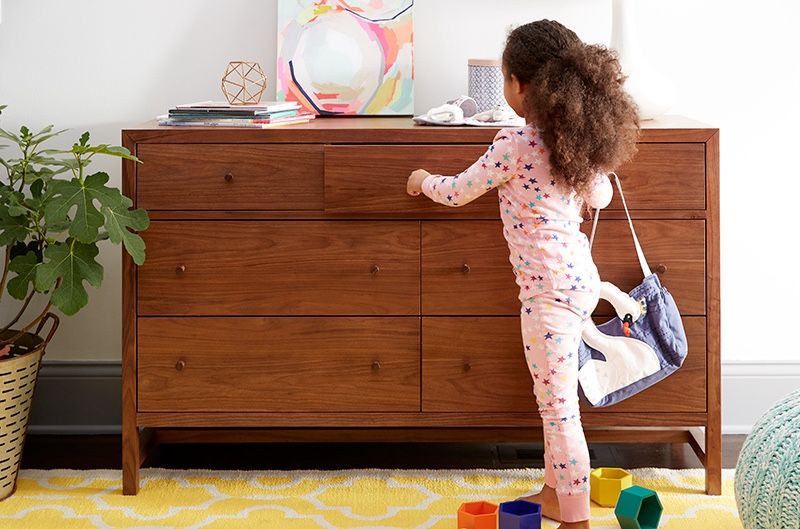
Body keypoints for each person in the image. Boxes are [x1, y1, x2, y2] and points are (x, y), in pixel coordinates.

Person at [407, 19, 640, 529]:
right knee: (555, 401)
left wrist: (422, 180)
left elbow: (457, 191)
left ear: (517, 84)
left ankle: (574, 513)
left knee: (558, 410)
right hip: (580, 283)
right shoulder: (573, 143)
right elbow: (601, 196)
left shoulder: (513, 144)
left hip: (547, 298)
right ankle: (554, 491)